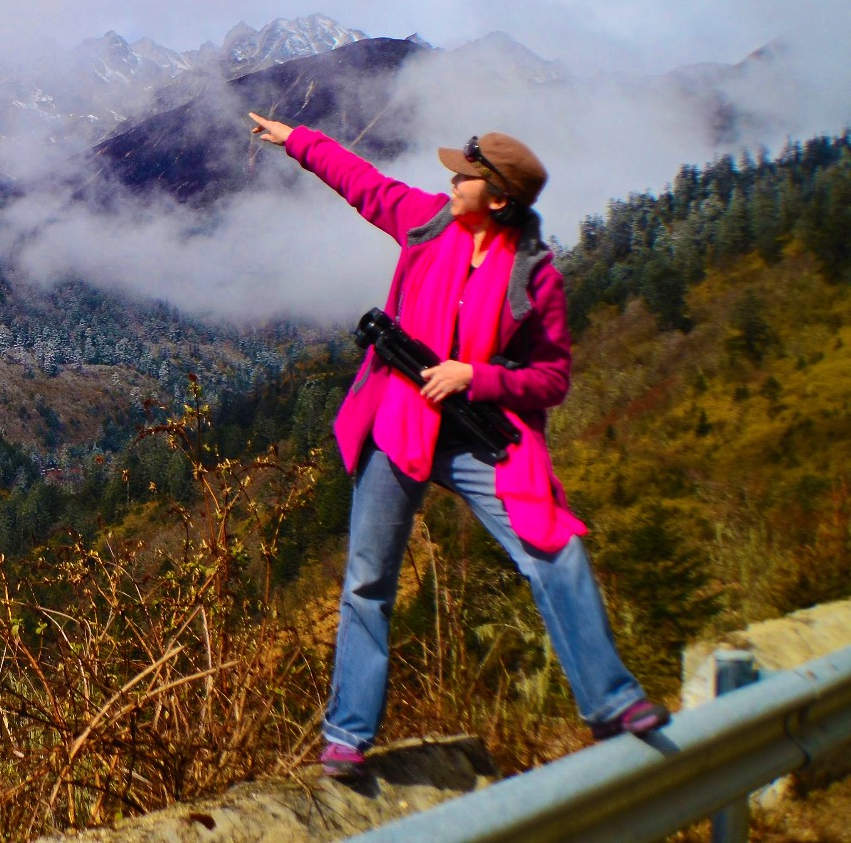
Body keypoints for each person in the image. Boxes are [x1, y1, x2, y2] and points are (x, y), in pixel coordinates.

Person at [245, 112, 669, 780]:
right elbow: (362, 183)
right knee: (368, 580)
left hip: (481, 436)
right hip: (398, 422)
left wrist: (479, 375)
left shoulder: (535, 275)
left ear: (497, 198)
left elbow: (553, 377)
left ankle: (613, 703)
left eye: (463, 176)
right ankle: (346, 737)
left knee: (555, 551)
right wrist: (297, 140)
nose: (449, 181)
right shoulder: (425, 224)